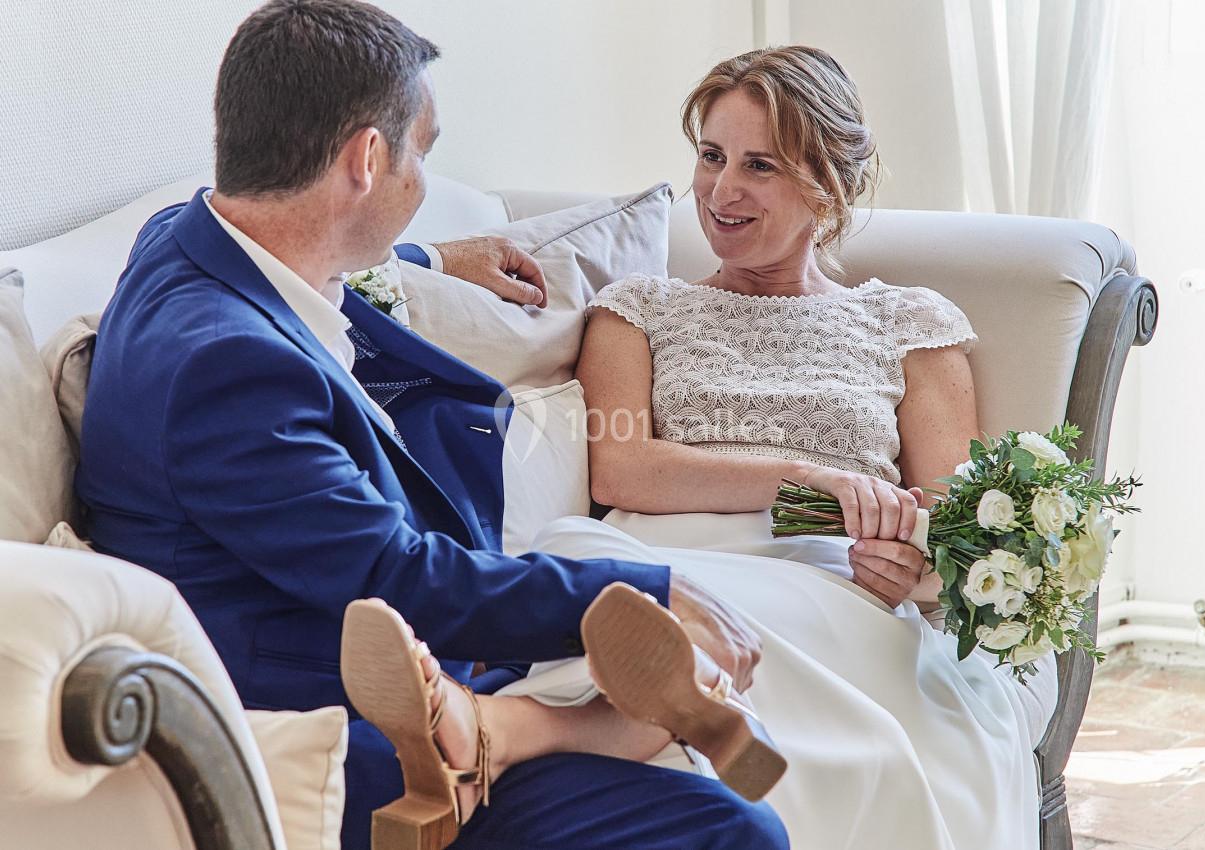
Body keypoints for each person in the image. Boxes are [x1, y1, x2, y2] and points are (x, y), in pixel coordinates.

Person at [74, 2, 788, 849]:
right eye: (423, 149)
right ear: (367, 159)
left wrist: (431, 258)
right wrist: (650, 593)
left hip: (375, 641)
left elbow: (302, 255)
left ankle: (541, 722)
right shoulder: (228, 370)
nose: (423, 180)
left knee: (655, 705)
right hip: (331, 731)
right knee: (736, 829)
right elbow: (396, 575)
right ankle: (510, 725)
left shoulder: (185, 241)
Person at [557, 46, 1061, 848]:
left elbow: (949, 513)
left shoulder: (910, 322)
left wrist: (913, 568)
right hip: (672, 557)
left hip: (832, 580)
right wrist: (800, 476)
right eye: (712, 157)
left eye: (759, 166)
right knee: (587, 584)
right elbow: (620, 465)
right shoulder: (637, 309)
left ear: (827, 185)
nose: (722, 192)